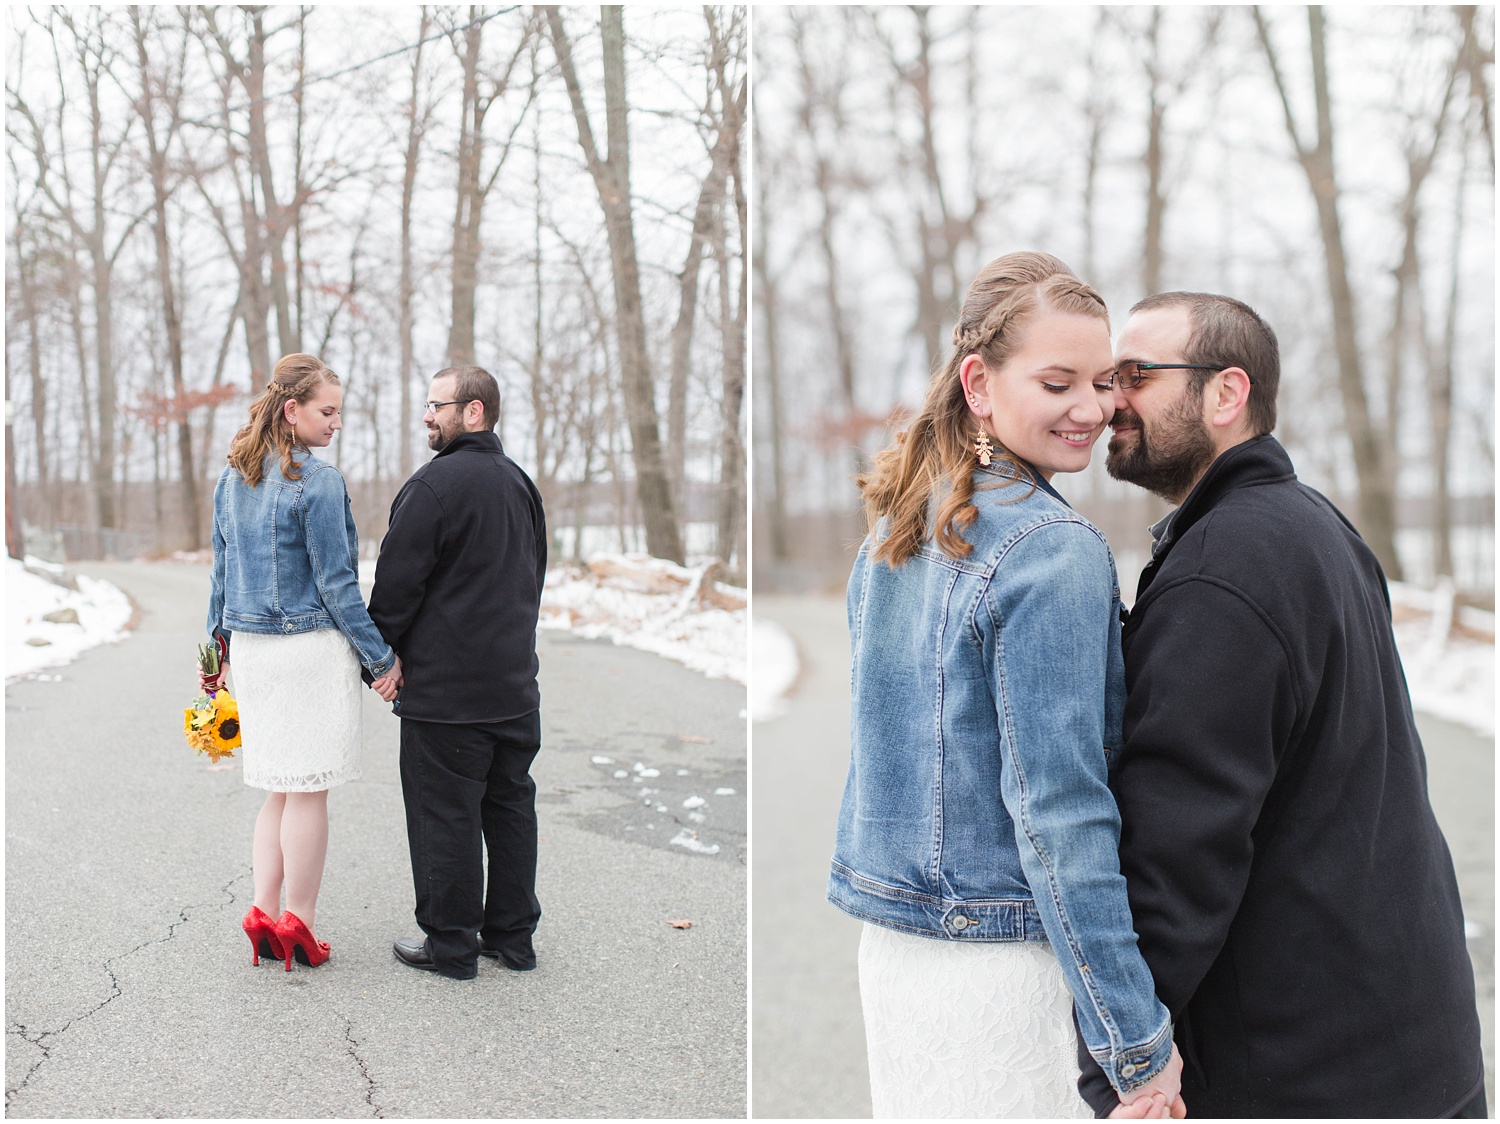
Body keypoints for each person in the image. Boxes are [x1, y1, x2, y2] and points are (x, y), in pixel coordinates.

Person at [1075, 291, 1485, 1117]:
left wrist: (1120, 1066)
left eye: (1137, 374)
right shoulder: (1314, 527)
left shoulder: (1227, 569)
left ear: (1226, 394)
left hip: (1308, 1073)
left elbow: (1180, 849)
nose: (1109, 398)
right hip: (1411, 1047)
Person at [829, 251, 1183, 1119]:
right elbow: (1059, 809)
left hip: (898, 959)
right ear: (978, 383)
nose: (1092, 410)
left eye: (1103, 383)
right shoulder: (1050, 549)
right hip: (1001, 968)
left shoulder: (901, 526)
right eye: (1058, 382)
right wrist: (1135, 1045)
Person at [205, 353, 401, 971]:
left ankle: (263, 910)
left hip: (255, 654)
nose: (335, 422)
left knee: (277, 790)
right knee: (309, 789)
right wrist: (380, 661)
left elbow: (221, 575)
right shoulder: (319, 482)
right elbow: (338, 584)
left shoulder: (231, 479)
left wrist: (214, 656)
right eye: (326, 410)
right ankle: (301, 923)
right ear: (293, 411)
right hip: (310, 651)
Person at [367, 365, 547, 981]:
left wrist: (380, 656)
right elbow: (535, 576)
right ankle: (513, 940)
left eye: (436, 406)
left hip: (446, 700)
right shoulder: (521, 485)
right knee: (510, 810)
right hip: (516, 691)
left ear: (473, 411)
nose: (427, 416)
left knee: (445, 814)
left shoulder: (433, 487)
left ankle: (451, 946)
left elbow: (394, 588)